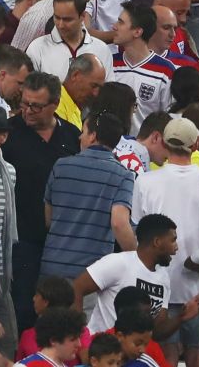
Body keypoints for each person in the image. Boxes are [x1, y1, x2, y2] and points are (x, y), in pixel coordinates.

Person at [41, 112, 137, 278]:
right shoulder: (123, 175)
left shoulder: (61, 166)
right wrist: (138, 261)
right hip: (93, 276)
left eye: (83, 131)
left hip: (52, 269)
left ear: (93, 136)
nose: (79, 137)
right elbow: (119, 224)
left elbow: (49, 219)